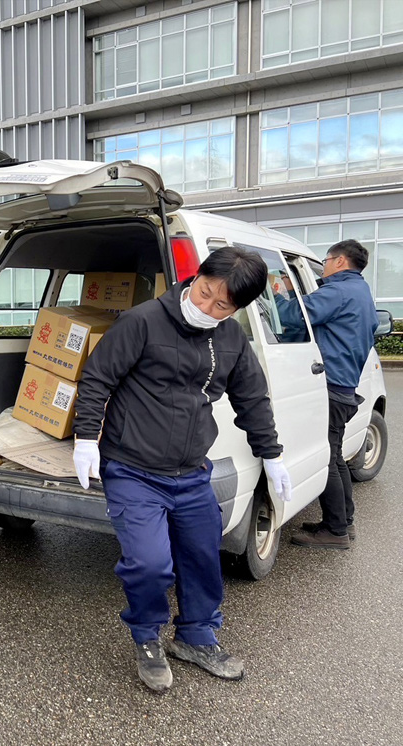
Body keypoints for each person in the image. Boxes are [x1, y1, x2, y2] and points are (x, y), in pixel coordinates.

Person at [72, 246, 293, 694]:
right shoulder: (143, 322)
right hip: (134, 469)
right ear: (197, 276)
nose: (207, 306)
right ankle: (148, 638)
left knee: (202, 556)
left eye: (222, 305)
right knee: (149, 564)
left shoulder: (230, 340)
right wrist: (84, 438)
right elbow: (98, 377)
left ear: (237, 310)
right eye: (205, 291)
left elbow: (252, 399)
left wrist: (271, 454)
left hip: (191, 471)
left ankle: (196, 637)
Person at [280, 240, 379, 550]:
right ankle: (342, 523)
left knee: (329, 458)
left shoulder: (337, 292)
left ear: (338, 261)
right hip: (345, 386)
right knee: (334, 456)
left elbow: (295, 315)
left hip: (330, 389)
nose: (323, 266)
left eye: (325, 261)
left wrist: (279, 293)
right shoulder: (361, 292)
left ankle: (336, 530)